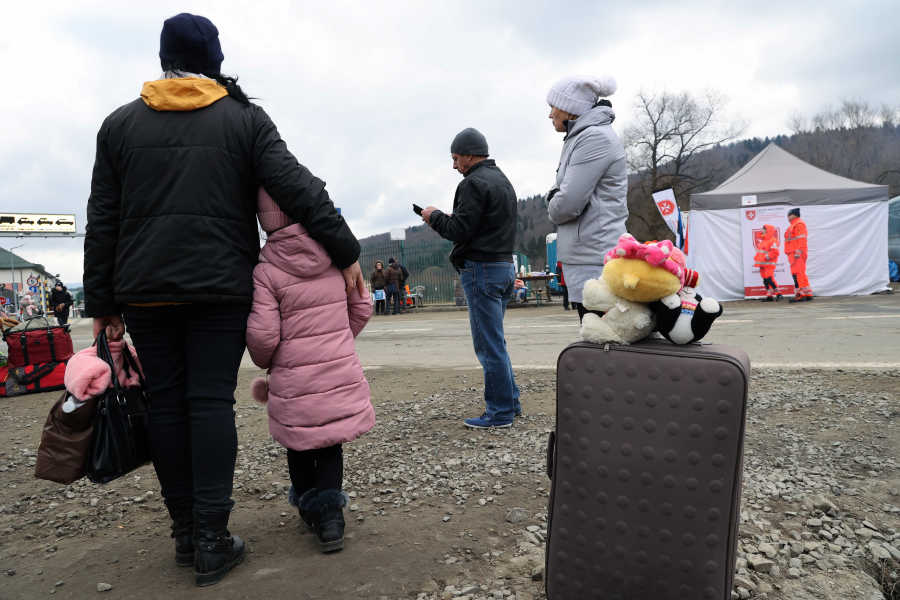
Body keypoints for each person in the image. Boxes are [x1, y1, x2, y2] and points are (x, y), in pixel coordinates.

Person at [83, 13, 364, 587]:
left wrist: (103, 301)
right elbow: (297, 187)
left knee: (166, 404)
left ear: (164, 59)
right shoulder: (244, 120)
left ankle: (186, 535)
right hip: (220, 287)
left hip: (145, 289)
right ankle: (214, 539)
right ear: (213, 57)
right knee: (210, 404)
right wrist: (344, 249)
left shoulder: (118, 126)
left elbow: (102, 219)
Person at [246, 189, 374, 553]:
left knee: (298, 443)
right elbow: (362, 307)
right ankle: (332, 518)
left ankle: (307, 505)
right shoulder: (337, 254)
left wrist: (268, 359)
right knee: (331, 442)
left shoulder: (266, 270)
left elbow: (263, 335)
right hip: (336, 370)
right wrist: (336, 341)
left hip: (293, 377)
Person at [421, 127, 521, 428]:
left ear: (468, 155)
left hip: (482, 270)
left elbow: (459, 231)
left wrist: (434, 216)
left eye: (455, 158)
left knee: (489, 346)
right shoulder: (503, 180)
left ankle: (500, 412)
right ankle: (510, 403)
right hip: (504, 266)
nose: (454, 166)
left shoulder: (473, 184)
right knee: (496, 342)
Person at [545, 76, 627, 322]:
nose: (550, 115)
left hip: (594, 260)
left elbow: (565, 205)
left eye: (553, 107)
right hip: (587, 257)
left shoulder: (593, 138)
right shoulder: (580, 137)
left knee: (604, 341)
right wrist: (555, 197)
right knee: (596, 340)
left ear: (570, 109)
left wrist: (552, 201)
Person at [785, 208, 813, 302]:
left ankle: (800, 294)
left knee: (798, 274)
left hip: (796, 253)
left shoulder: (798, 224)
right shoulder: (793, 225)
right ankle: (807, 293)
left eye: (789, 214)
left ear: (794, 215)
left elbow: (801, 240)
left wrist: (798, 252)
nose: (788, 216)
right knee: (800, 273)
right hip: (794, 253)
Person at [754, 225, 782, 301]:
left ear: (767, 230)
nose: (761, 230)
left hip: (769, 263)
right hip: (762, 263)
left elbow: (775, 252)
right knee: (765, 280)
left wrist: (767, 257)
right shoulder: (763, 241)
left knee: (769, 278)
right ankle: (769, 296)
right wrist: (756, 258)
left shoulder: (773, 240)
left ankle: (778, 294)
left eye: (763, 229)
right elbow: (760, 252)